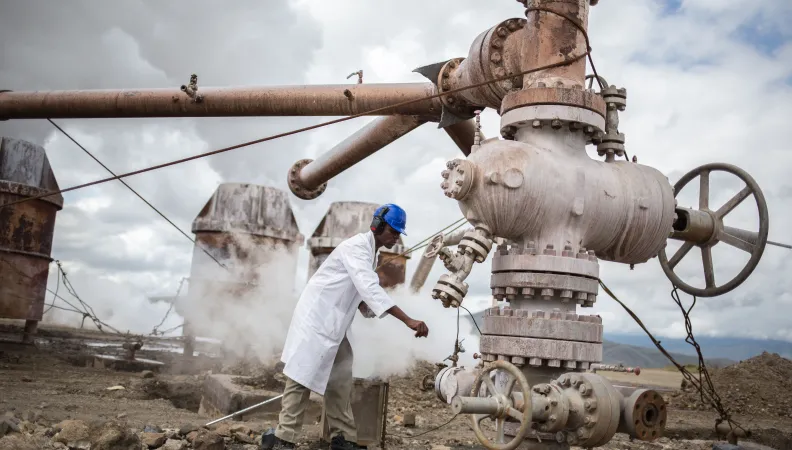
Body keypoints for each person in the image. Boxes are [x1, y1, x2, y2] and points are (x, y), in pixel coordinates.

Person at [264, 203, 430, 450]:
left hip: (333, 327)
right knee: (301, 377)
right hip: (317, 322)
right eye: (393, 231)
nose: (395, 237)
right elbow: (369, 287)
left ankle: (344, 439)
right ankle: (283, 438)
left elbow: (359, 290)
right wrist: (408, 320)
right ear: (379, 226)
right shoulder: (356, 248)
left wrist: (364, 307)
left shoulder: (368, 252)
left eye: (398, 233)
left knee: (340, 376)